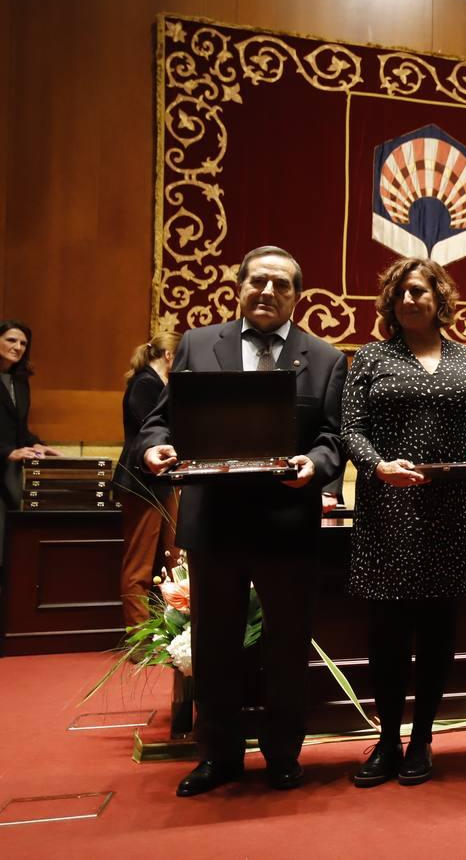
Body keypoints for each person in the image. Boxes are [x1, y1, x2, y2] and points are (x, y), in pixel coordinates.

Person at [139, 245, 348, 795]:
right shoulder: (199, 344)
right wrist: (155, 448)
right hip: (216, 524)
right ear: (239, 286)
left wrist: (316, 464)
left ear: (297, 297)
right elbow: (162, 421)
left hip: (287, 525)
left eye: (282, 285)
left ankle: (283, 755)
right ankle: (219, 757)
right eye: (259, 281)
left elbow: (332, 438)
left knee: (286, 647)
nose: (268, 292)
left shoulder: (325, 358)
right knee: (215, 646)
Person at [341, 257, 466, 787]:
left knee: (436, 631)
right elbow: (351, 429)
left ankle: (423, 738)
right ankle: (386, 741)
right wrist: (377, 466)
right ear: (391, 301)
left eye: (421, 292)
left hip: (453, 510)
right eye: (402, 292)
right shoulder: (370, 358)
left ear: (440, 301)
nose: (411, 299)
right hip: (389, 508)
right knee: (386, 632)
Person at [114, 333, 182, 626]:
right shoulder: (145, 383)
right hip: (142, 481)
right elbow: (150, 434)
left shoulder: (157, 385)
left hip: (164, 482)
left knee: (176, 558)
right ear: (169, 356)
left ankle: (176, 632)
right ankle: (138, 638)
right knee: (139, 564)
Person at [0, 321, 59, 514]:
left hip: (9, 472)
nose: (17, 347)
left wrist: (36, 444)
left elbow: (18, 426)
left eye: (23, 343)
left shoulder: (20, 381)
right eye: (11, 340)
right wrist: (6, 452)